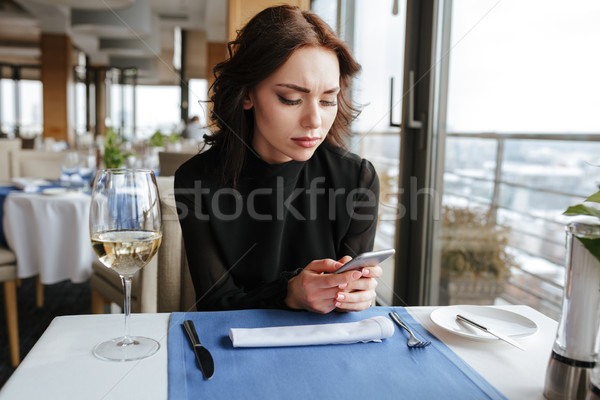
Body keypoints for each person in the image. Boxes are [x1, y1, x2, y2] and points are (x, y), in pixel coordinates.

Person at [175, 5, 381, 313]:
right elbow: (216, 303)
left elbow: (348, 293)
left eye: (327, 100)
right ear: (247, 94)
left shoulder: (356, 179)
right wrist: (289, 293)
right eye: (291, 99)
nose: (314, 120)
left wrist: (357, 294)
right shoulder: (196, 181)